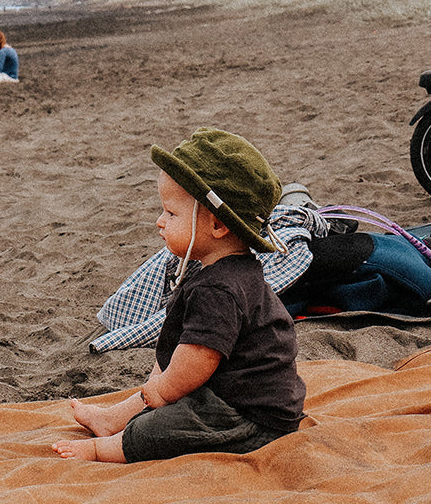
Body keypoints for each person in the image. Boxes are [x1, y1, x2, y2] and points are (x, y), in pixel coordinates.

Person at [52, 128, 305, 464]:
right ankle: (112, 419)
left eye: (171, 214)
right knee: (161, 399)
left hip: (250, 417)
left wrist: (160, 393)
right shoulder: (224, 271)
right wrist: (155, 390)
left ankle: (103, 449)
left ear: (217, 226)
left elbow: (197, 359)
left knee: (160, 428)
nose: (160, 221)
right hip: (228, 394)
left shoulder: (219, 289)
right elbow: (177, 352)